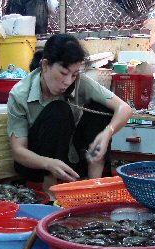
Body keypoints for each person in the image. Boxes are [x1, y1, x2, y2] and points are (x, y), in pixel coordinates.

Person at [7, 34, 133, 193]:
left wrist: (108, 132)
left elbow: (124, 108)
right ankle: (50, 191)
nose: (68, 81)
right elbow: (18, 151)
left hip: (70, 160)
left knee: (102, 109)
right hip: (37, 164)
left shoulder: (79, 81)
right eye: (63, 73)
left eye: (73, 74)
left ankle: (95, 185)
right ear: (46, 65)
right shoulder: (19, 94)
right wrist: (48, 163)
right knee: (58, 110)